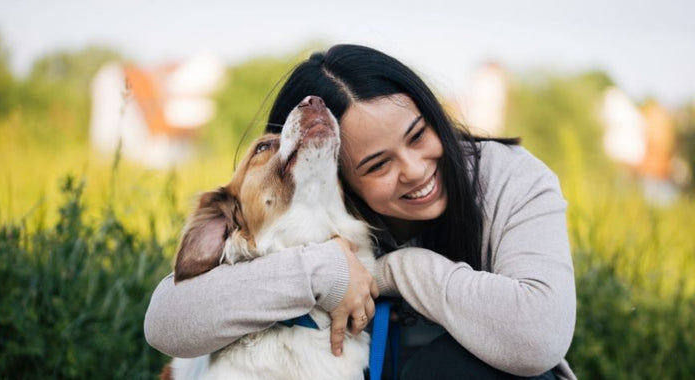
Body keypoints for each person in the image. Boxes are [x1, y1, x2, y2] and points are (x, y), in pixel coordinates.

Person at [144, 44, 577, 379]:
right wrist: (324, 270)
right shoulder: (324, 206)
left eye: (418, 135)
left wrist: (392, 271)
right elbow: (167, 322)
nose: (414, 171)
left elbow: (539, 336)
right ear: (337, 175)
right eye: (377, 165)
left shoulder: (510, 180)